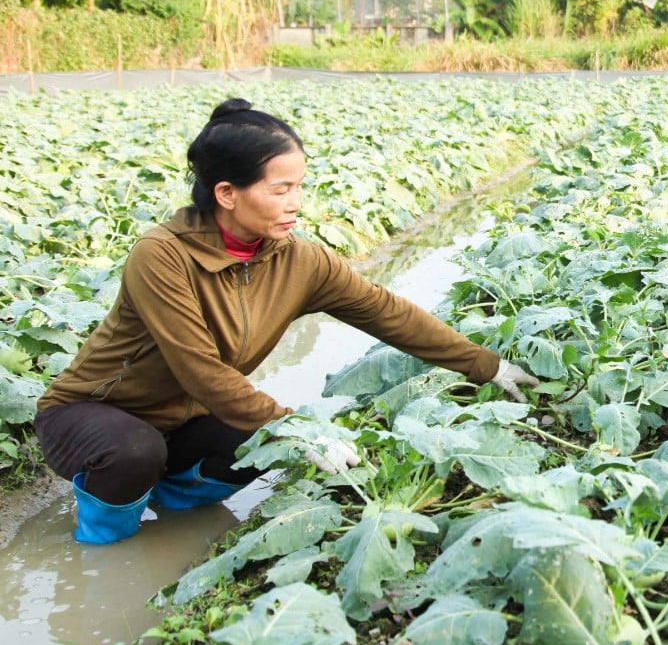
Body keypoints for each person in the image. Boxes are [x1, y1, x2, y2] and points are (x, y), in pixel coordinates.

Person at [35, 99, 540, 545]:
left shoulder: (299, 261)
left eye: (299, 186)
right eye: (281, 190)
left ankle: (171, 501)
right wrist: (295, 427)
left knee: (252, 443)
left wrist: (487, 366)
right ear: (228, 193)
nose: (296, 203)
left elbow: (386, 312)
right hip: (95, 414)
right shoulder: (161, 256)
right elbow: (200, 371)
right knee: (135, 452)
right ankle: (105, 541)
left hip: (184, 418)